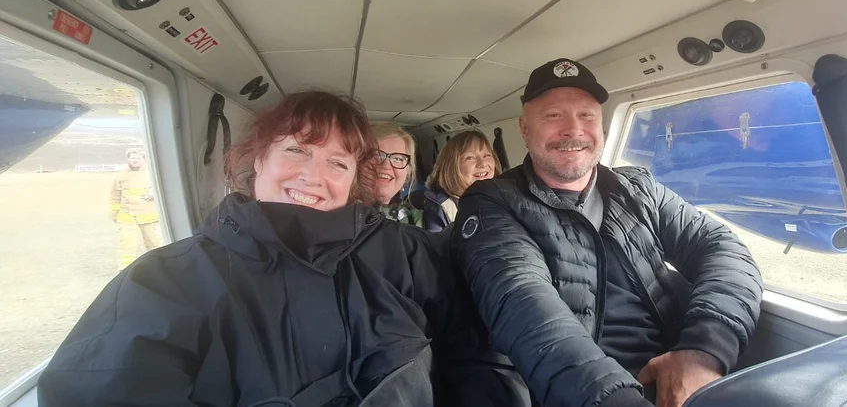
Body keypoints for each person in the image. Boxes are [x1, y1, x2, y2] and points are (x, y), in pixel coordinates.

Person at [39, 91, 523, 407]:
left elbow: (477, 351)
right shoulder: (166, 281)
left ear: (353, 180)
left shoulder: (407, 253)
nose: (314, 176)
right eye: (296, 151)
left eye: (338, 162)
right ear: (258, 161)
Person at [452, 58, 764, 407]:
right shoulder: (491, 203)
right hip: (585, 392)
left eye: (586, 115)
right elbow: (523, 303)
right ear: (525, 130)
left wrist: (704, 349)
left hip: (690, 369)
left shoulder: (639, 188)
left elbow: (721, 246)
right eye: (553, 115)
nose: (574, 130)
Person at [423, 130, 499, 232]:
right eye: (470, 157)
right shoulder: (440, 209)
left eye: (487, 155)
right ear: (452, 166)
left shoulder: (503, 195)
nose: (482, 163)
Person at [109, 147, 161, 270]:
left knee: (153, 243)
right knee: (126, 245)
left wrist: (154, 193)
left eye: (138, 158)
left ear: (144, 159)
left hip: (148, 216)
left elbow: (164, 189)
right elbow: (115, 195)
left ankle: (159, 266)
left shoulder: (152, 173)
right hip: (126, 216)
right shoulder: (121, 175)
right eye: (132, 158)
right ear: (128, 159)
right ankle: (125, 269)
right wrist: (114, 214)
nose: (135, 160)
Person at [372, 123, 423, 226]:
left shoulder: (416, 221)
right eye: (377, 156)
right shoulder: (342, 216)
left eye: (398, 159)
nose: (386, 166)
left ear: (408, 171)